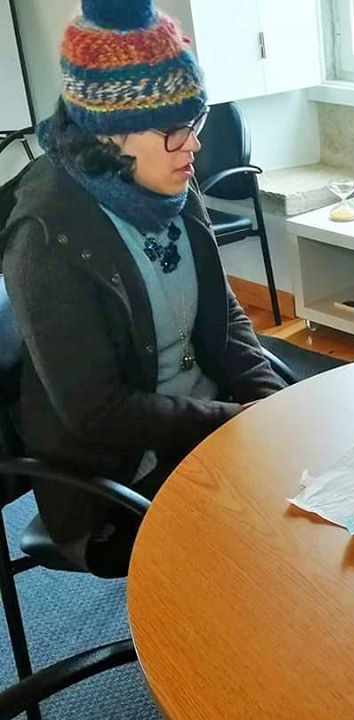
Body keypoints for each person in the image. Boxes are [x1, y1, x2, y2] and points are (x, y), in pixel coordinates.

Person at [0, 0, 285, 576]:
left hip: (205, 420)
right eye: (176, 130)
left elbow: (223, 315)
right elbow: (99, 412)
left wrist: (269, 399)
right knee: (266, 541)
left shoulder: (168, 178)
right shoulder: (47, 237)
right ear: (108, 134)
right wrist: (235, 420)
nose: (194, 145)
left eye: (195, 123)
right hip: (120, 467)